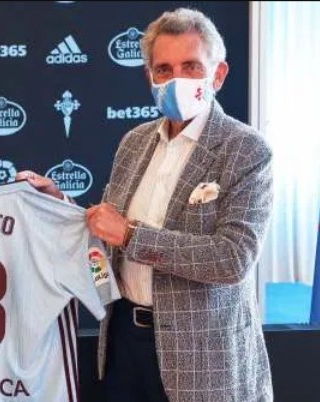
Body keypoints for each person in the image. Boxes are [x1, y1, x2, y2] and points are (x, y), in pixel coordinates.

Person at [19, 7, 273, 402]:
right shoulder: (134, 142)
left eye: (191, 66)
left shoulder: (246, 149)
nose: (176, 80)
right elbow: (108, 231)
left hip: (201, 356)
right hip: (123, 342)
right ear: (149, 76)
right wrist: (61, 204)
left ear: (218, 74)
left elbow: (232, 259)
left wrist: (131, 236)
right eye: (164, 69)